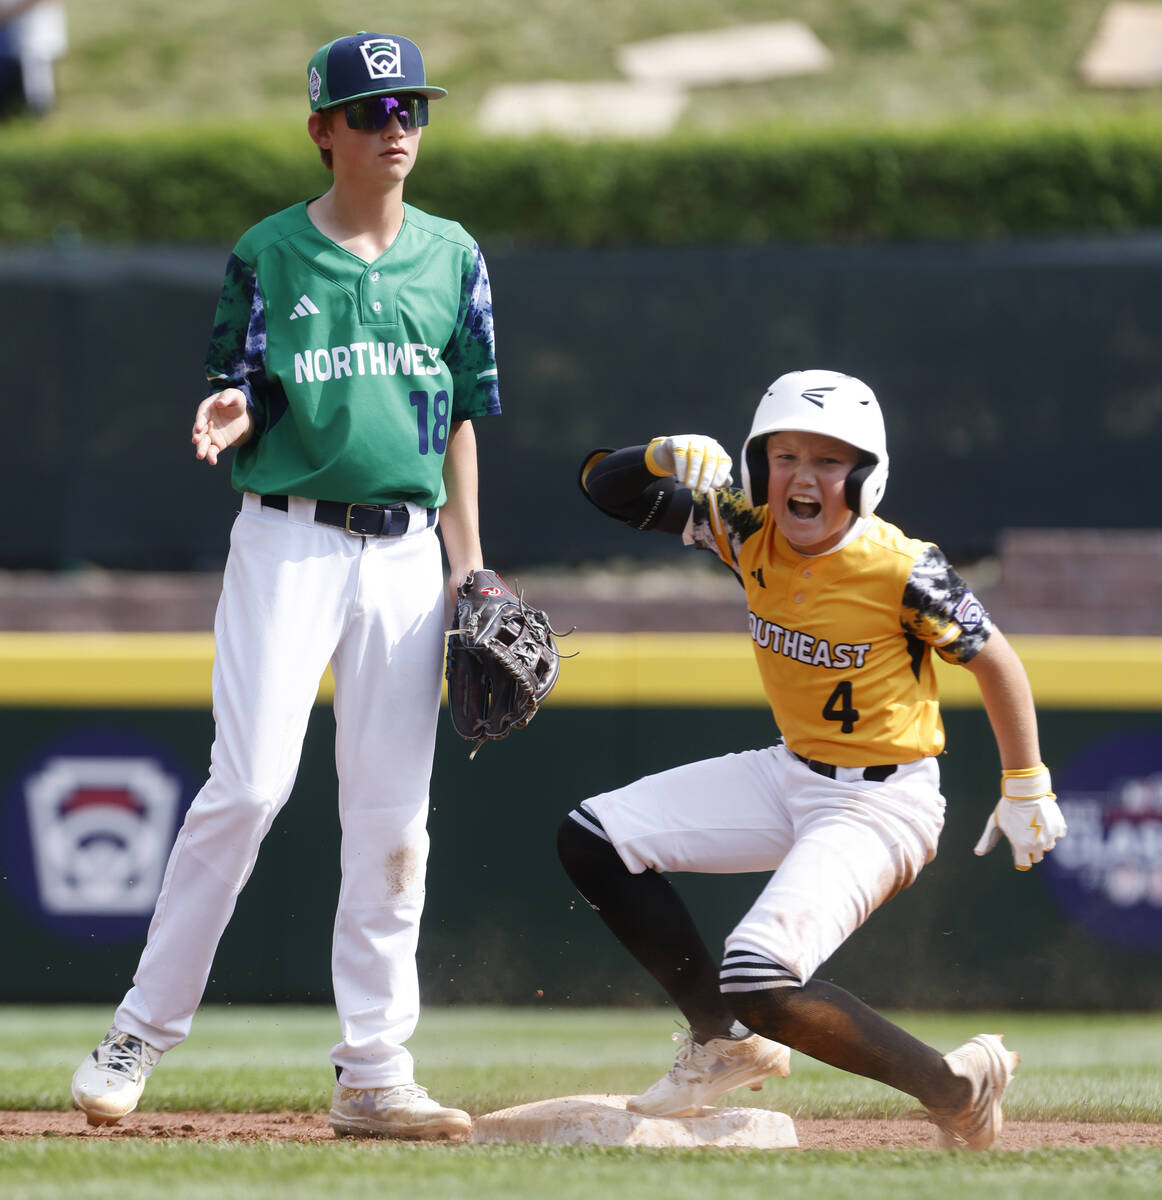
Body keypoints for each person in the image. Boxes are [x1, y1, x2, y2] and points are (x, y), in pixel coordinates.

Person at [70, 31, 501, 1143]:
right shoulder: (269, 253)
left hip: (408, 553)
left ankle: (374, 1069)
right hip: (289, 539)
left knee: (392, 818)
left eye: (410, 106)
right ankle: (137, 1033)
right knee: (250, 786)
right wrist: (235, 411)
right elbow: (246, 381)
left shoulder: (454, 253)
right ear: (323, 133)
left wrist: (472, 566)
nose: (396, 125)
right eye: (371, 111)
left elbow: (457, 417)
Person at [558, 369, 1067, 1150]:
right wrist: (659, 455)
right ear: (759, 462)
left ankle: (956, 1086)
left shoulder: (902, 566)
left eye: (829, 461)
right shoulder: (743, 524)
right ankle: (724, 1043)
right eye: (786, 455)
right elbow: (603, 487)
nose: (803, 476)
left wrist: (1026, 780)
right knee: (594, 836)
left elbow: (995, 659)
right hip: (791, 770)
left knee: (759, 976)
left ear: (866, 476)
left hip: (882, 801)